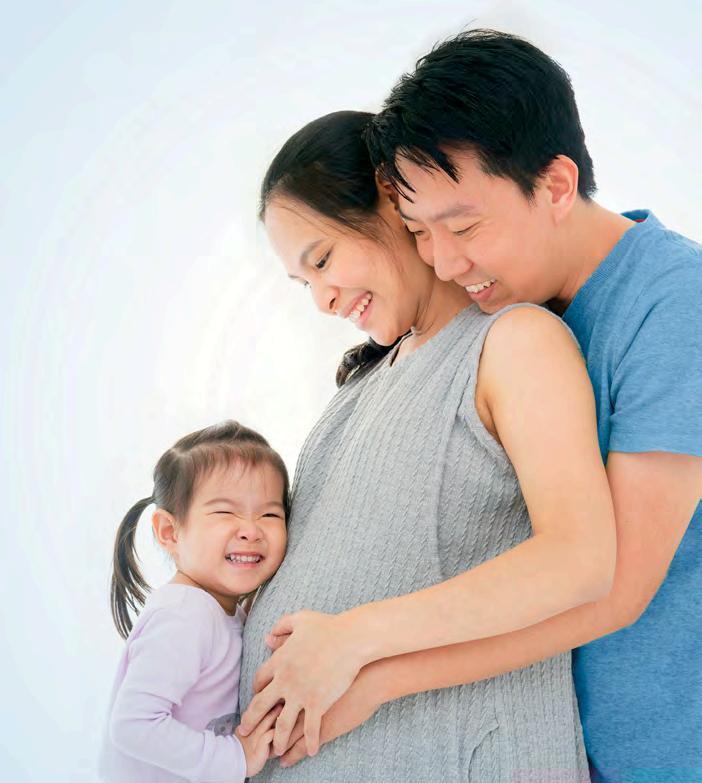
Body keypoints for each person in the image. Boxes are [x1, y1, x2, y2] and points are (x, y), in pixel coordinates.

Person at [265, 30, 702, 782]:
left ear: (556, 186)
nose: (445, 260)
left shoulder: (674, 303)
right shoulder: (515, 313)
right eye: (420, 231)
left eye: (464, 227)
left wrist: (372, 666)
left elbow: (615, 586)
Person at [236, 109, 616, 781]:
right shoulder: (362, 385)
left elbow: (580, 558)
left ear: (395, 200)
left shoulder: (513, 342)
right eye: (304, 283)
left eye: (322, 260)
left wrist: (351, 638)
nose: (322, 299)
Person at [99, 420, 290, 782]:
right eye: (225, 512)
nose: (251, 530)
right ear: (170, 532)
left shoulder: (220, 612)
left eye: (269, 514)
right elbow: (133, 725)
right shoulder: (185, 615)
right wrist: (235, 757)